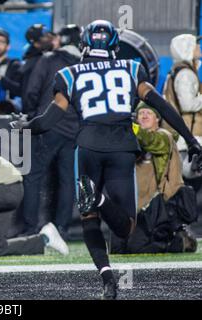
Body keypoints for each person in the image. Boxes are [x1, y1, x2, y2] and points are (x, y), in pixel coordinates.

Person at [11, 20, 202, 299]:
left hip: (88, 146)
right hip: (122, 147)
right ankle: (100, 202)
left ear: (84, 45)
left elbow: (49, 120)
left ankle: (107, 278)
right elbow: (162, 106)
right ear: (114, 45)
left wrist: (25, 126)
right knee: (126, 228)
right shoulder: (131, 69)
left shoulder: (69, 74)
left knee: (89, 219)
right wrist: (193, 140)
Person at [19, 24, 82, 238]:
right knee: (67, 180)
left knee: (33, 177)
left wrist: (30, 116)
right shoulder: (83, 65)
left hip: (46, 126)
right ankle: (61, 229)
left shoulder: (48, 60)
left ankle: (30, 228)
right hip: (74, 129)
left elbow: (31, 92)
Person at [110, 102, 198, 254]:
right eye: (140, 113)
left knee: (135, 248)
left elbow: (150, 141)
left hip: (156, 208)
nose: (144, 116)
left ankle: (176, 241)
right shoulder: (130, 141)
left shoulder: (165, 137)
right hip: (133, 209)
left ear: (157, 119)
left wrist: (130, 126)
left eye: (148, 113)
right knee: (117, 249)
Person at [163, 34, 202, 181]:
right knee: (191, 181)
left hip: (186, 137)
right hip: (187, 138)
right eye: (195, 44)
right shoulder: (185, 73)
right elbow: (188, 104)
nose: (198, 47)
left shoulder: (181, 70)